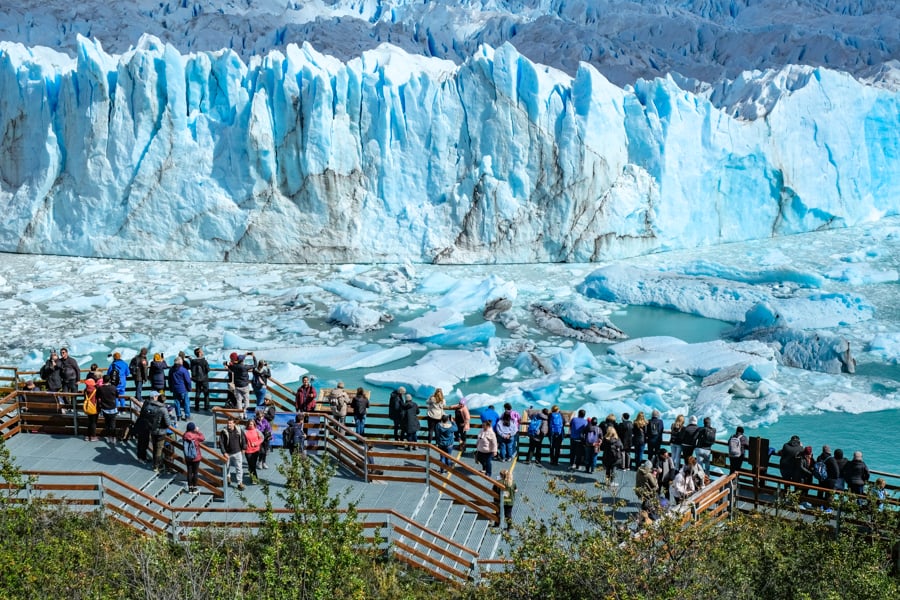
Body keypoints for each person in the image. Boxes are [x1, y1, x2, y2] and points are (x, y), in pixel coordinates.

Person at [218, 418, 246, 490]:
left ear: (234, 424)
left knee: (239, 468)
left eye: (230, 423)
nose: (229, 424)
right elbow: (221, 443)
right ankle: (228, 477)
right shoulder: (224, 432)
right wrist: (224, 452)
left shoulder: (239, 430)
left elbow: (243, 439)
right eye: (228, 423)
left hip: (237, 452)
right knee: (227, 467)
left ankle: (240, 483)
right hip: (228, 453)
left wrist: (244, 448)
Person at [147, 392, 171, 473]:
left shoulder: (150, 406)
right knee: (159, 448)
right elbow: (168, 423)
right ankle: (157, 466)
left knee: (154, 447)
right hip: (161, 431)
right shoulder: (163, 409)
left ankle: (155, 463)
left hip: (152, 430)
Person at [133, 392, 158, 461]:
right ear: (154, 397)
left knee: (141, 442)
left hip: (141, 424)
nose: (157, 397)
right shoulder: (150, 406)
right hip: (145, 426)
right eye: (156, 396)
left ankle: (140, 456)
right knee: (144, 442)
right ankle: (142, 457)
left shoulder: (146, 402)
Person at [168, 357, 192, 425]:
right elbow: (188, 381)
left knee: (177, 403)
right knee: (186, 402)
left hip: (175, 389)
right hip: (183, 389)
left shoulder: (171, 370)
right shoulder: (183, 370)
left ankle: (178, 416)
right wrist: (189, 388)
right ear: (180, 362)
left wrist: (170, 388)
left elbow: (169, 380)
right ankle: (187, 416)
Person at [183, 422, 205, 494]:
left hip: (188, 457)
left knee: (189, 472)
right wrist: (198, 432)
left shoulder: (185, 435)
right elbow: (202, 438)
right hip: (196, 457)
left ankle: (190, 488)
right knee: (195, 473)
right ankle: (195, 488)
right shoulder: (195, 436)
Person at [96, 379, 119, 443]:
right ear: (109, 380)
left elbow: (97, 396)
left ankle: (109, 437)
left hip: (104, 408)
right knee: (113, 423)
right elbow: (117, 395)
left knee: (107, 423)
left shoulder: (100, 388)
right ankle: (113, 437)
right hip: (113, 408)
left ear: (103, 381)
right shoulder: (113, 387)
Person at [244, 419, 263, 484]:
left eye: (251, 424)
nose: (250, 425)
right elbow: (242, 440)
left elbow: (261, 438)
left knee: (253, 465)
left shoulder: (257, 431)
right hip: (248, 450)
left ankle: (251, 473)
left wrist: (255, 443)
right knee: (251, 465)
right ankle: (254, 479)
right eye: (249, 424)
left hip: (255, 450)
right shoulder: (245, 431)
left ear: (254, 424)